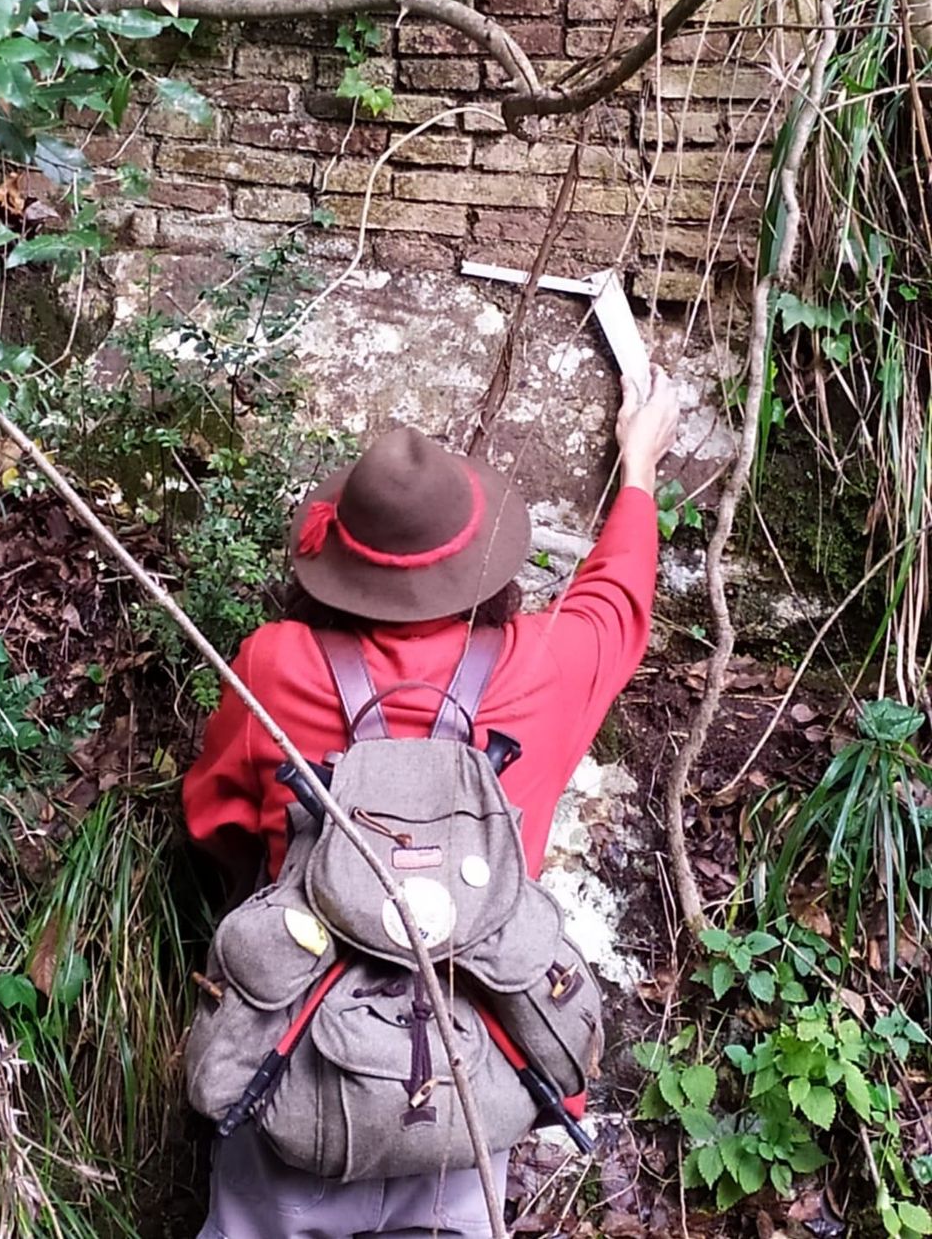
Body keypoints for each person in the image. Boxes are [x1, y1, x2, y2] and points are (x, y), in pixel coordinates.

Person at [183, 367, 680, 1239]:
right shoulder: (547, 666)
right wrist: (637, 468)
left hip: (297, 1073)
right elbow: (617, 601)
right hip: (463, 1102)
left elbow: (211, 815)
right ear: (478, 556)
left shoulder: (271, 666)